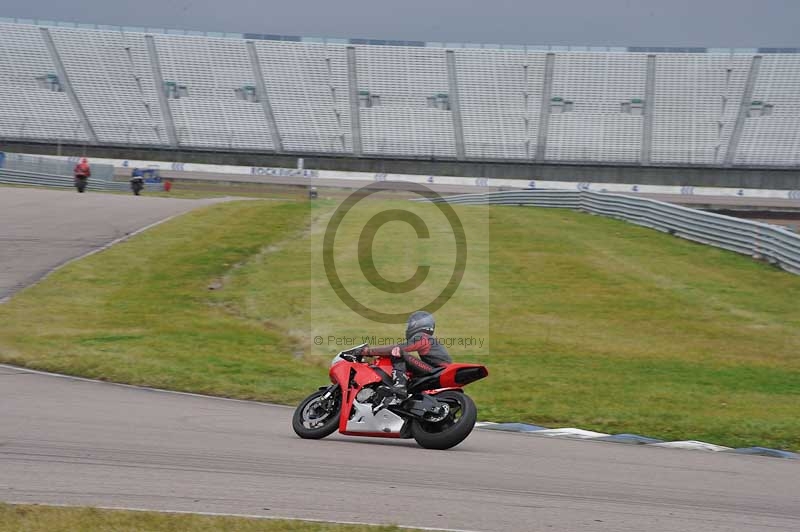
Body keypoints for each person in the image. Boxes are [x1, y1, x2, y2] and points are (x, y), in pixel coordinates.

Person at [362, 311, 452, 403]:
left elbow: (402, 348)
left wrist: (368, 351)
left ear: (416, 324)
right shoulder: (428, 338)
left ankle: (400, 385)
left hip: (437, 371)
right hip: (438, 371)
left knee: (397, 351)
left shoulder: (422, 337)